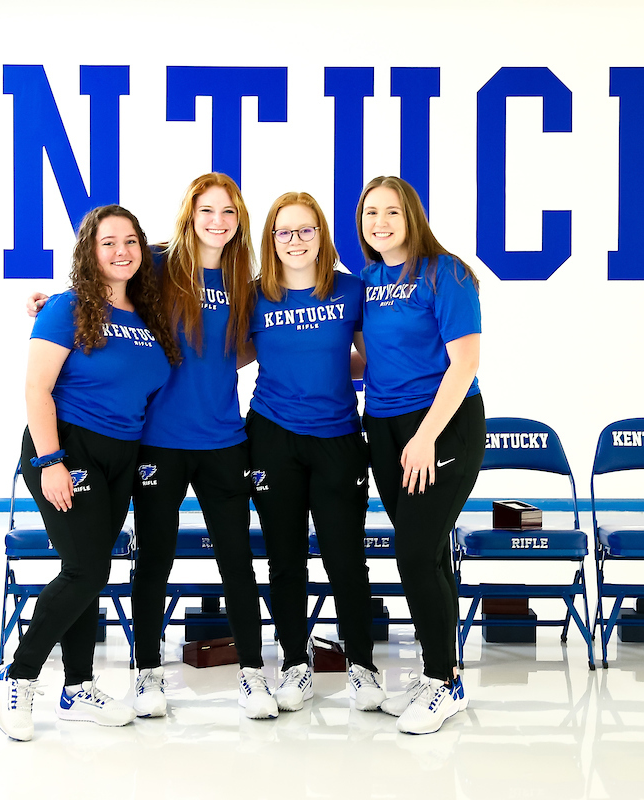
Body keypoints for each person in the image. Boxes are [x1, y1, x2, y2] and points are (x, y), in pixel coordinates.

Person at [27, 174, 274, 719]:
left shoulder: (244, 280)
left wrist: (219, 363)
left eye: (228, 212)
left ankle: (253, 674)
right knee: (153, 561)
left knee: (237, 560)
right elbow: (105, 275)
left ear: (239, 220)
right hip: (157, 441)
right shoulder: (158, 262)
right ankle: (146, 673)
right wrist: (52, 300)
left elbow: (247, 345)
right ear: (189, 215)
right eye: (206, 210)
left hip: (224, 438)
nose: (217, 221)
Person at [0, 205, 181, 742]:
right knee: (86, 569)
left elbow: (184, 248)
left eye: (131, 241)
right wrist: (51, 461)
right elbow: (37, 389)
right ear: (88, 252)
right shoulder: (67, 307)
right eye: (108, 243)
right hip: (69, 449)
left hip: (123, 454)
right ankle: (19, 677)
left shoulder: (147, 311)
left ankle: (77, 688)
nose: (122, 251)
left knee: (89, 568)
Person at [245, 191, 385, 713]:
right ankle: (294, 665)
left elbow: (375, 358)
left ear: (322, 235)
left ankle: (362, 667)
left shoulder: (350, 290)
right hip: (272, 435)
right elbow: (218, 354)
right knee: (285, 559)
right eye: (284, 231)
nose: (296, 240)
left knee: (345, 559)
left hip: (338, 439)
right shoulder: (254, 294)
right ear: (271, 239)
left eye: (307, 229)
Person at [355, 176, 484, 735]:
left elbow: (465, 363)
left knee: (413, 552)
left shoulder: (446, 273)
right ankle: (442, 673)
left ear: (412, 216)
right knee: (427, 555)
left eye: (391, 212)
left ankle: (442, 682)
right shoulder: (367, 280)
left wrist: (427, 435)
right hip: (383, 427)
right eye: (370, 213)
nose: (380, 223)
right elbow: (371, 359)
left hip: (440, 426)